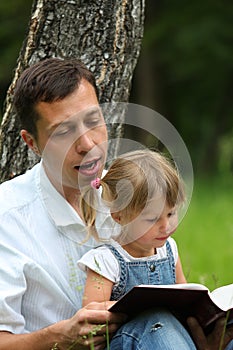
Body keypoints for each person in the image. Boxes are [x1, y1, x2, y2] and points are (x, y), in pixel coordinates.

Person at [0, 57, 232, 350]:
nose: (87, 144)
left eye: (94, 121)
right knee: (154, 325)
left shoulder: (132, 190)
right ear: (32, 143)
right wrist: (59, 336)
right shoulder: (7, 217)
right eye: (63, 132)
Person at [78, 149, 187, 306]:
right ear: (119, 216)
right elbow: (92, 316)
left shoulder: (169, 249)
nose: (166, 226)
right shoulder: (105, 261)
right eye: (152, 219)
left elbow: (184, 292)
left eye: (171, 214)